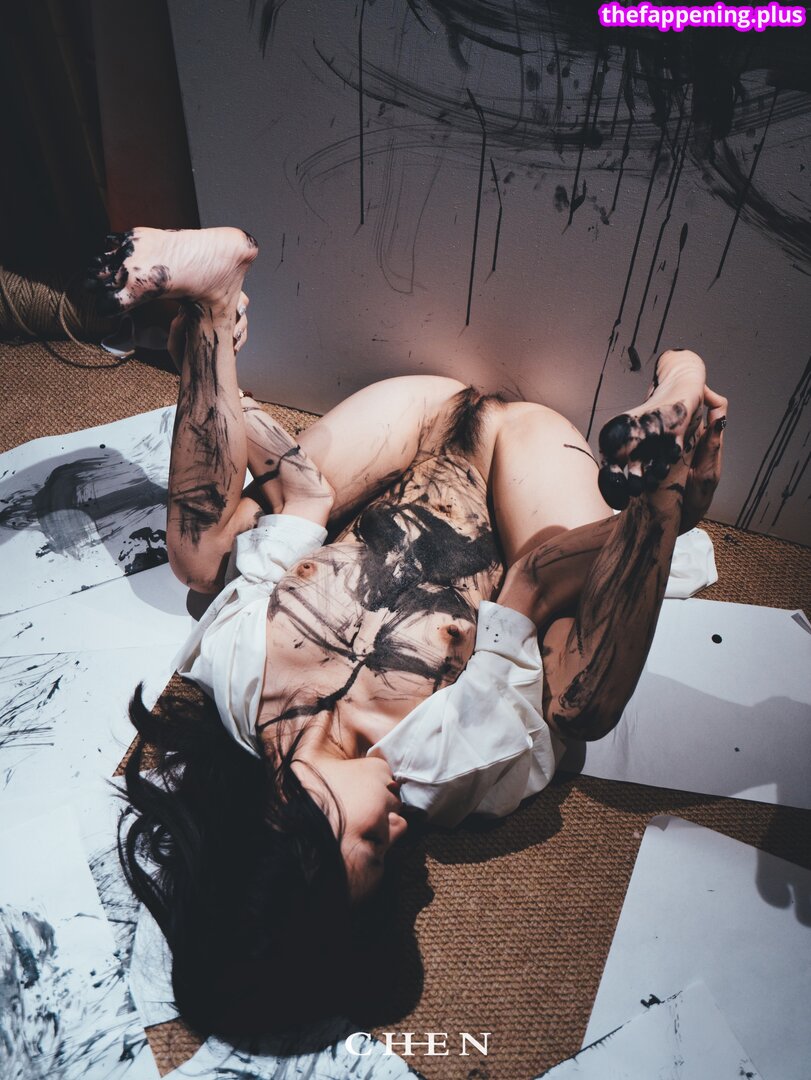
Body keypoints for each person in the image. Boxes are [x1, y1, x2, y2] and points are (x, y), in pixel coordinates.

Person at [91, 227, 725, 1035]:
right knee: (579, 706)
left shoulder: (234, 673)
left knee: (199, 556)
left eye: (371, 844)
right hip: (525, 461)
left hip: (417, 413)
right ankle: (667, 449)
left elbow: (306, 500)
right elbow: (535, 581)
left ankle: (213, 299)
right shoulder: (450, 770)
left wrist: (216, 385)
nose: (400, 834)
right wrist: (650, 527)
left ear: (286, 827)